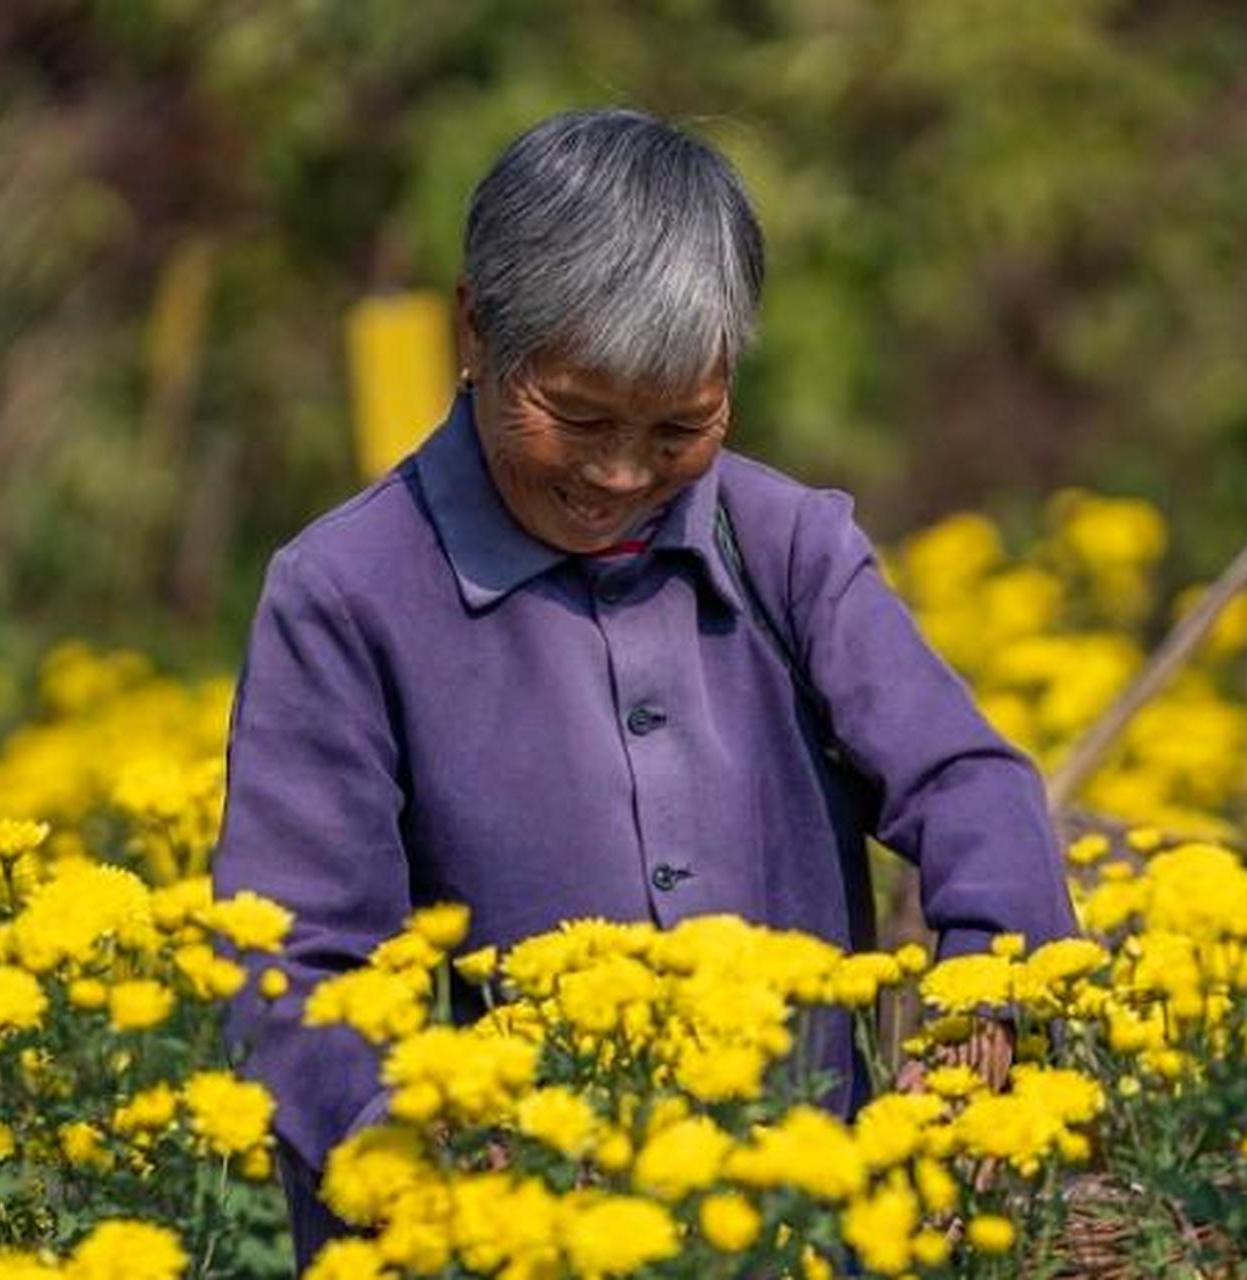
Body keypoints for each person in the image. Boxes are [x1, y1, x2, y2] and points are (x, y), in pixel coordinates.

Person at [211, 108, 1078, 1268]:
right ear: (477, 329)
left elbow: (968, 780)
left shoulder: (787, 546)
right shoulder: (348, 595)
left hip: (793, 1228)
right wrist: (408, 1145)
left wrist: (985, 995)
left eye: (680, 425)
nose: (621, 473)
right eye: (576, 416)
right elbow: (295, 958)